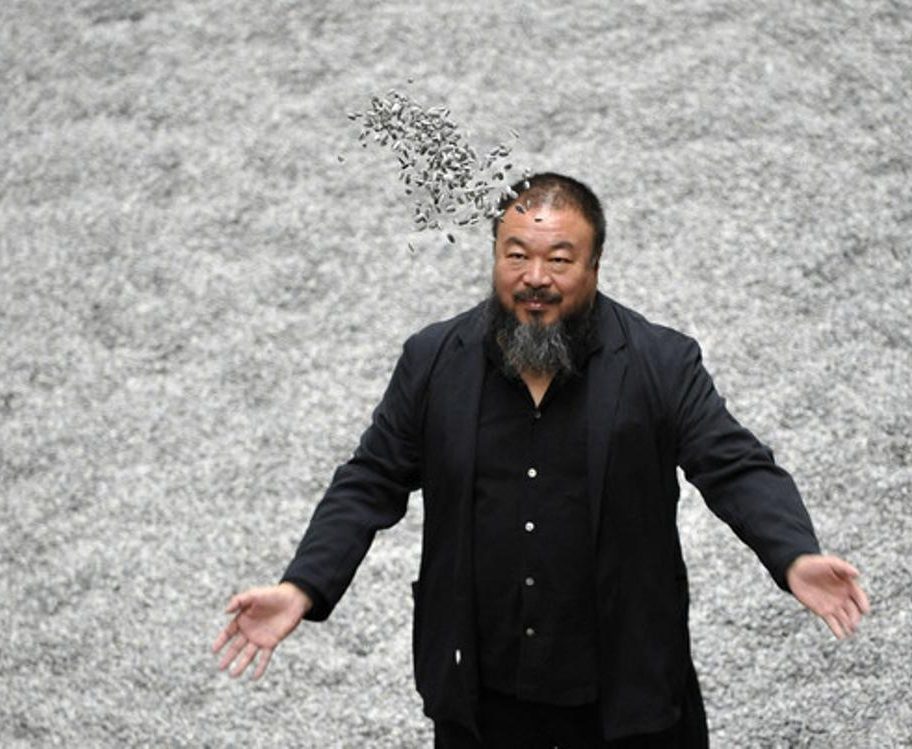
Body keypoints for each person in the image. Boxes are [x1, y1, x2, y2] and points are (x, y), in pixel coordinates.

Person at [212, 172, 870, 748]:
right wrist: (303, 585)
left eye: (559, 259)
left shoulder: (661, 362)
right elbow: (370, 479)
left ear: (594, 266)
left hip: (625, 695)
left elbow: (734, 465)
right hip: (481, 696)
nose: (534, 277)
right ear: (495, 257)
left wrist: (793, 553)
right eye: (516, 255)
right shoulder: (433, 360)